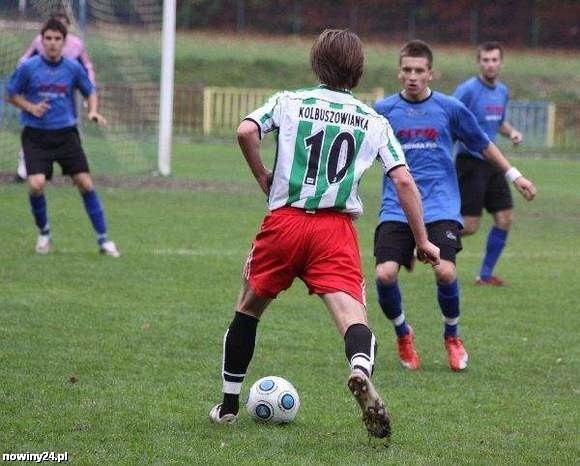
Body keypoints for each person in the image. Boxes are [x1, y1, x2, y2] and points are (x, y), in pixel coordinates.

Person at [208, 29, 440, 439]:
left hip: (285, 222)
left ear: (316, 63)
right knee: (353, 317)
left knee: (248, 308)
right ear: (359, 70)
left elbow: (245, 131)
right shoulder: (374, 121)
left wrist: (262, 174)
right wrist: (422, 241)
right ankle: (359, 369)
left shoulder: (289, 101)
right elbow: (403, 181)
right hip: (334, 229)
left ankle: (227, 406)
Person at [373, 40, 536, 372]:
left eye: (420, 71)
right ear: (398, 72)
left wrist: (514, 175)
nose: (413, 76)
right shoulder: (382, 111)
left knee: (445, 271)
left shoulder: (450, 108)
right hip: (396, 206)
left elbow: (483, 143)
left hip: (440, 206)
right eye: (407, 70)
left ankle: (452, 336)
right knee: (384, 274)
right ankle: (403, 333)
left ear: (431, 73)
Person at [6, 18, 120, 258]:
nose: (52, 43)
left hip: (66, 135)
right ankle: (44, 233)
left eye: (57, 39)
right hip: (36, 135)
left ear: (64, 41)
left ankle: (104, 240)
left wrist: (93, 111)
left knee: (85, 184)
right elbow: (11, 93)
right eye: (48, 38)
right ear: (42, 40)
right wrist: (30, 107)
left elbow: (90, 91)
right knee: (36, 184)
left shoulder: (72, 68)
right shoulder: (29, 67)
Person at [454, 42, 523, 286]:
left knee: (505, 218)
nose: (490, 64)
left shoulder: (502, 91)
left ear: (501, 63)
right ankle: (425, 239)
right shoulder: (467, 91)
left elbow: (499, 122)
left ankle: (484, 275)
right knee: (470, 226)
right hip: (470, 162)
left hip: (493, 162)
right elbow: (450, 118)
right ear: (479, 62)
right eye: (485, 60)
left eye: (494, 60)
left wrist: (512, 132)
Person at [14, 12, 96, 183]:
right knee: (32, 130)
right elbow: (24, 60)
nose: (53, 42)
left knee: (69, 126)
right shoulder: (38, 43)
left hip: (65, 91)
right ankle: (25, 168)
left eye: (62, 27)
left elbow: (86, 66)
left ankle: (75, 166)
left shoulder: (76, 45)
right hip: (39, 92)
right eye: (49, 36)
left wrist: (90, 90)